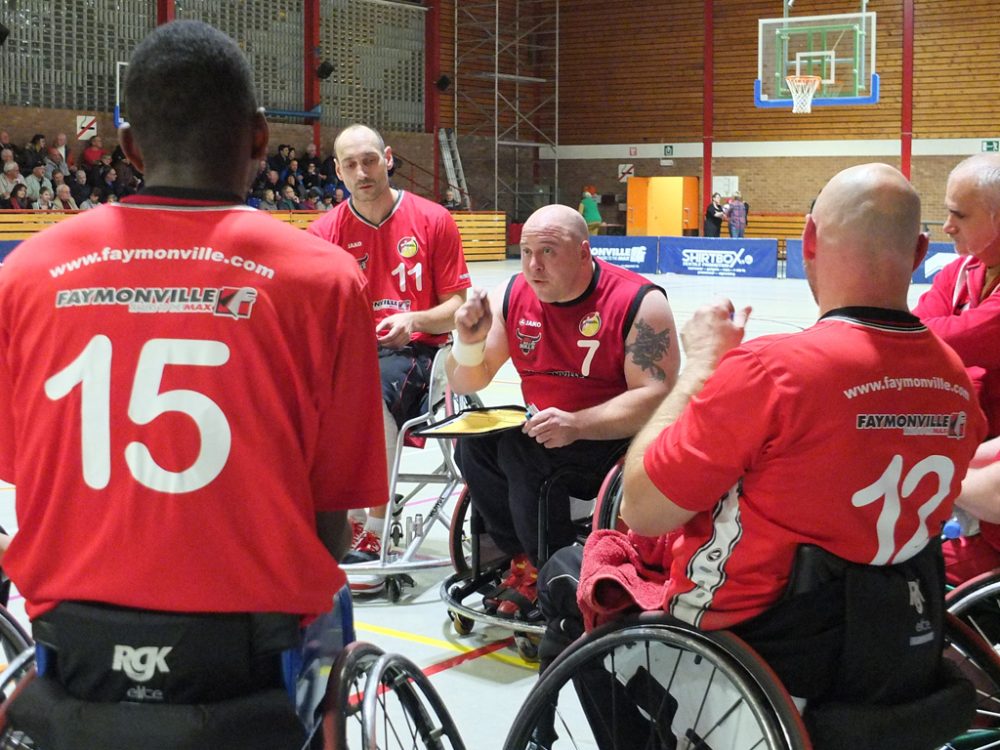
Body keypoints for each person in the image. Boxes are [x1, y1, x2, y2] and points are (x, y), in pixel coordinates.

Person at [0, 18, 387, 727]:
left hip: (74, 653)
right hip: (247, 658)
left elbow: (24, 475)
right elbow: (331, 520)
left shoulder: (24, 274)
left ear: (130, 148)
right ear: (260, 138)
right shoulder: (325, 279)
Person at [536, 164, 986, 744]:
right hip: (890, 647)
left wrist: (698, 367)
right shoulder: (954, 381)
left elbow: (643, 508)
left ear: (808, 243)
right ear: (923, 251)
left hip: (758, 659)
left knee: (565, 578)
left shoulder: (775, 370)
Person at [447, 203, 680, 619]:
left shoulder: (639, 302)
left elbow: (656, 396)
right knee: (475, 446)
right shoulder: (514, 295)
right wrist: (467, 341)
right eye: (526, 253)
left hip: (614, 439)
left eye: (549, 252)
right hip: (550, 429)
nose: (534, 266)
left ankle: (550, 571)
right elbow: (469, 379)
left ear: (585, 252)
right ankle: (519, 557)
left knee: (524, 453)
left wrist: (578, 424)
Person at [307, 123, 471, 568]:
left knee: (368, 393)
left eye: (370, 160)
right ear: (338, 171)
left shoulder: (433, 219)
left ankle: (376, 530)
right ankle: (335, 518)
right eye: (351, 164)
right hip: (350, 353)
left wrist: (413, 318)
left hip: (419, 351)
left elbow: (457, 305)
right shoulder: (323, 233)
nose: (363, 172)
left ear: (389, 158)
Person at [913, 153, 1000, 583]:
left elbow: (952, 338)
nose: (946, 226)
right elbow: (918, 332)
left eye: (958, 215)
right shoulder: (961, 269)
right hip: (973, 456)